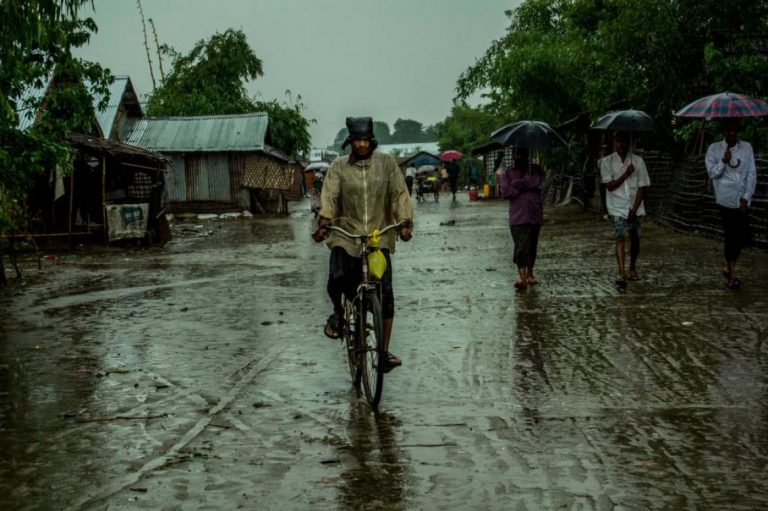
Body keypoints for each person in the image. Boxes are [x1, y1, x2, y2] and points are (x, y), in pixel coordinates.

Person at [313, 117, 414, 370]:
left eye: (365, 140)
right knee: (336, 276)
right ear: (350, 142)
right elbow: (330, 195)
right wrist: (324, 222)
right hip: (346, 235)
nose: (361, 144)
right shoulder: (338, 167)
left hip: (378, 238)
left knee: (386, 294)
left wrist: (404, 222)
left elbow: (399, 194)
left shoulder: (387, 164)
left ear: (371, 141)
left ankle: (383, 353)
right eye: (357, 140)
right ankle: (338, 313)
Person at [705, 119, 756, 290]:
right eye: (729, 130)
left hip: (741, 199)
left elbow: (751, 173)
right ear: (724, 131)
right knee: (730, 235)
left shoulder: (747, 148)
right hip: (724, 199)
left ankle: (728, 266)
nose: (732, 133)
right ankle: (732, 275)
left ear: (738, 131)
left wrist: (747, 197)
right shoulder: (714, 149)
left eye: (735, 130)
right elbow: (712, 174)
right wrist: (723, 161)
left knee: (742, 237)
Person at [600, 131, 650, 289]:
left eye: (624, 142)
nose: (621, 145)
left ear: (628, 143)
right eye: (618, 142)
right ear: (614, 143)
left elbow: (643, 187)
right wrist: (626, 174)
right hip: (617, 207)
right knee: (620, 237)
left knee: (635, 239)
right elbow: (609, 186)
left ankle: (632, 266)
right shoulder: (606, 162)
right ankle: (621, 272)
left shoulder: (638, 161)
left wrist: (634, 210)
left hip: (635, 207)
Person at [500, 146, 544, 290]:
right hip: (518, 216)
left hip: (534, 212)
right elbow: (506, 192)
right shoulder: (508, 172)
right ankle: (522, 278)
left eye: (522, 154)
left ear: (527, 155)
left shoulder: (535, 169)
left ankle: (530, 274)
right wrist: (524, 184)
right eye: (516, 154)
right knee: (520, 247)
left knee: (532, 245)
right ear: (513, 156)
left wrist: (518, 183)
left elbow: (536, 183)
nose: (519, 157)